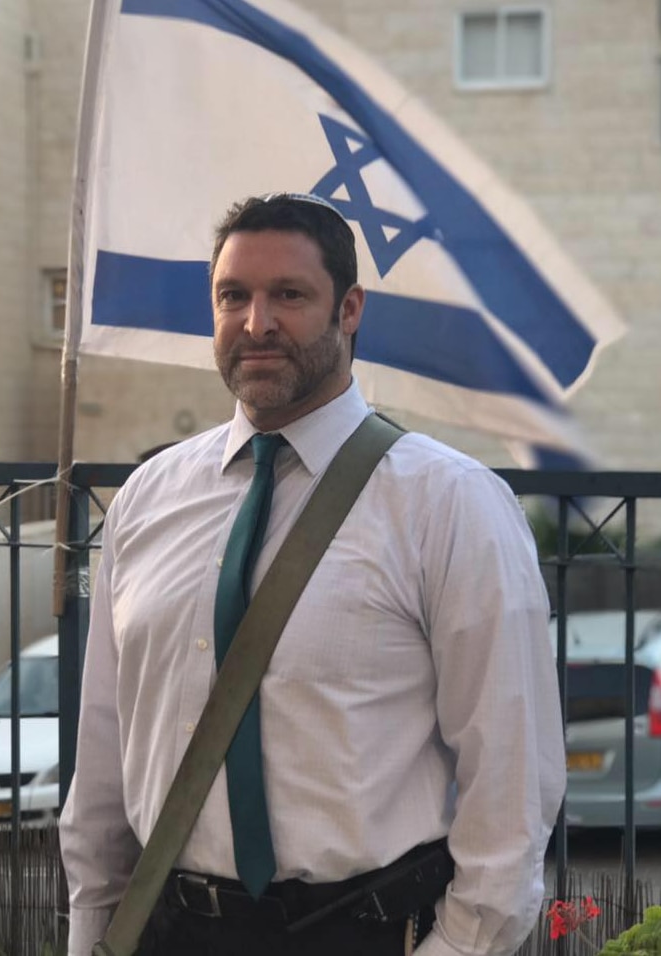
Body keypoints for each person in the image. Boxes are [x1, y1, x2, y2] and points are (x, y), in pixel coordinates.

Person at [60, 192, 566, 956]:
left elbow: (512, 780)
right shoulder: (147, 498)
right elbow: (104, 749)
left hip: (361, 930)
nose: (256, 323)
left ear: (351, 309)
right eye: (234, 296)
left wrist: (460, 947)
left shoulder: (450, 502)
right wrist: (93, 930)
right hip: (168, 929)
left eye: (288, 295)